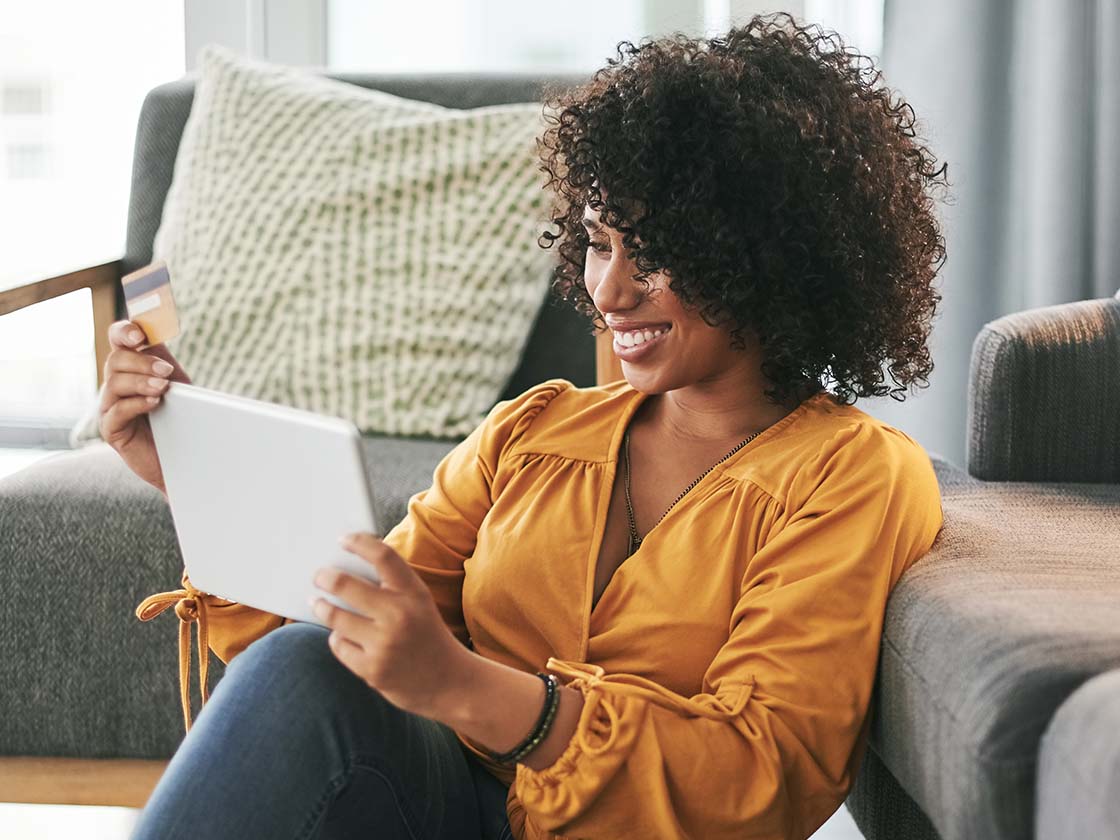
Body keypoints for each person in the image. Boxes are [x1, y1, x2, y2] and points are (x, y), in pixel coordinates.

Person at [106, 12, 949, 840]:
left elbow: (765, 773)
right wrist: (190, 471)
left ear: (763, 254)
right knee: (298, 666)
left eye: (650, 253)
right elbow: (341, 645)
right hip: (442, 806)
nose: (610, 293)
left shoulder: (852, 475)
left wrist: (466, 688)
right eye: (597, 242)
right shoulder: (535, 431)